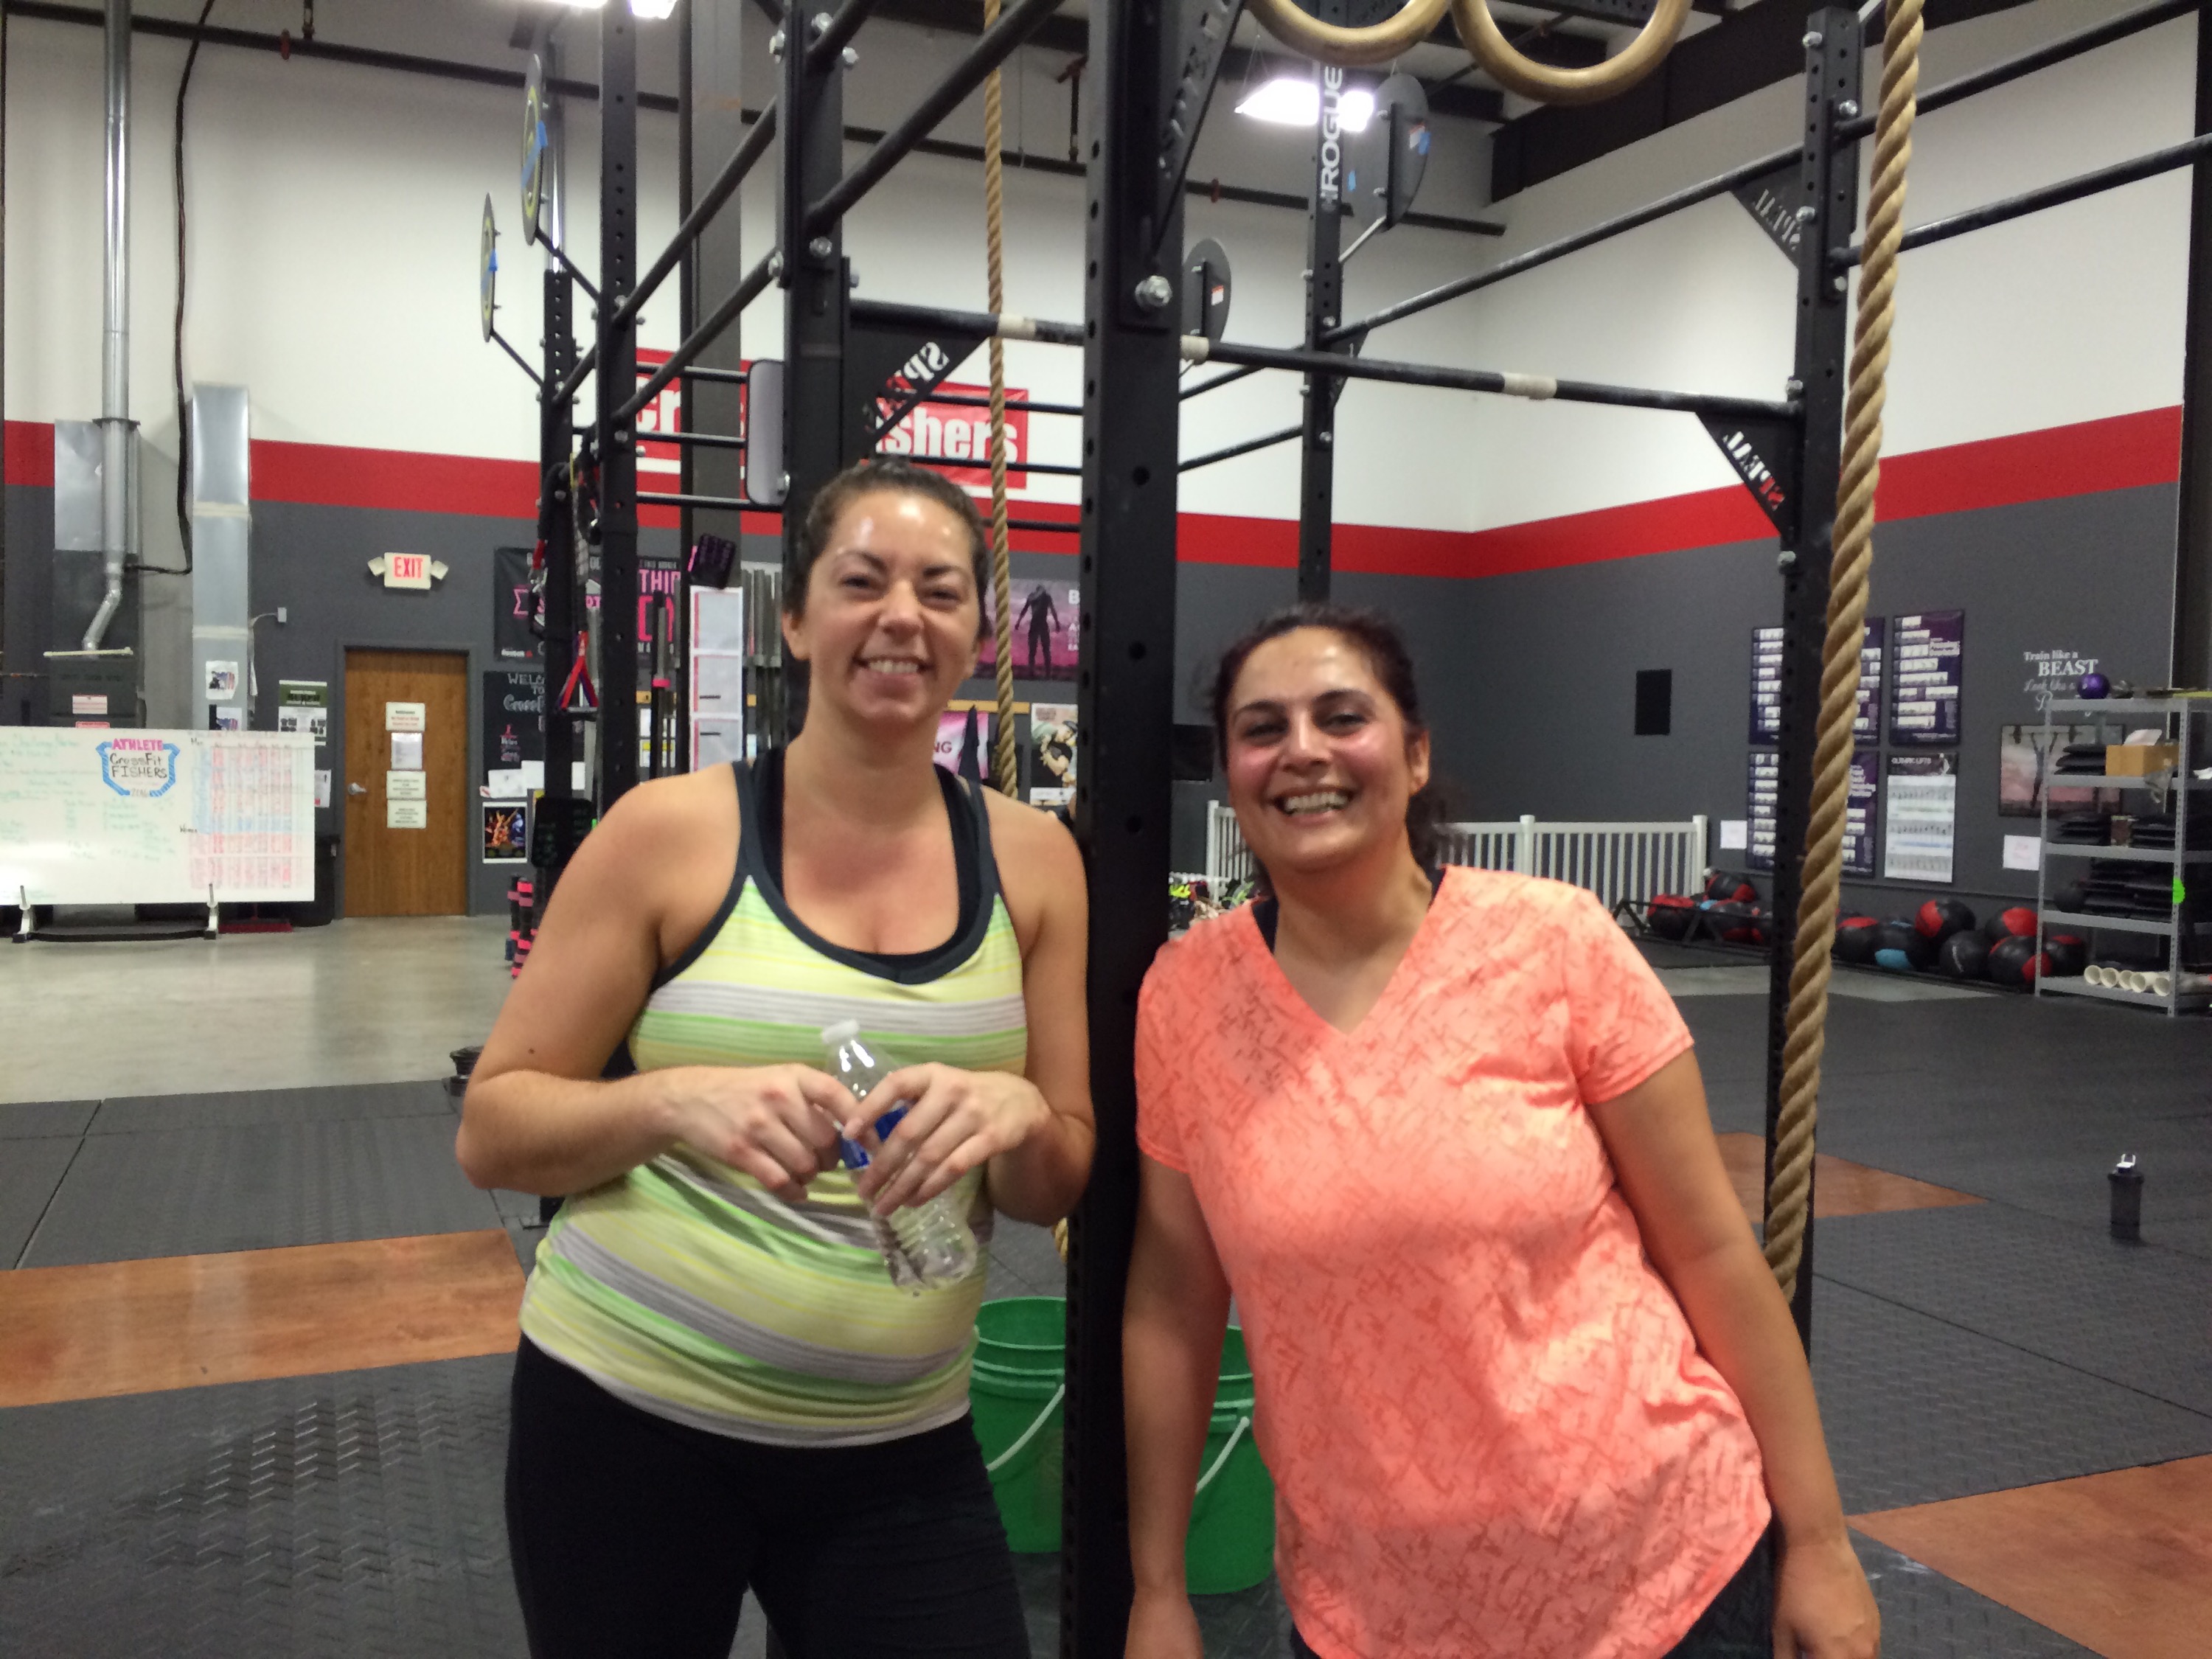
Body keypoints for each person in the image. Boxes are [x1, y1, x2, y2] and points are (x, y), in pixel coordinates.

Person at [1121, 603, 1879, 1659]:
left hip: (1660, 1576)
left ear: (1415, 754)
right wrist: (1158, 1589)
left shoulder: (1555, 941)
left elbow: (1711, 1250)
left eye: (1342, 716)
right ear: (1231, 772)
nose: (1302, 751)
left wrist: (1823, 1541)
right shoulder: (1188, 997)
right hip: (1371, 1610)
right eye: (1262, 728)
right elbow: (1172, 1305)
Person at [459, 457, 1095, 1659]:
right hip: (626, 1422)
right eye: (862, 581)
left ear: (978, 634)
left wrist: (1016, 1113)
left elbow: (1055, 1175)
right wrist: (672, 1102)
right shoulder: (670, 833)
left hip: (898, 1447)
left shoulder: (1035, 861)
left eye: (940, 590)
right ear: (796, 618)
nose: (901, 615)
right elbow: (493, 1129)